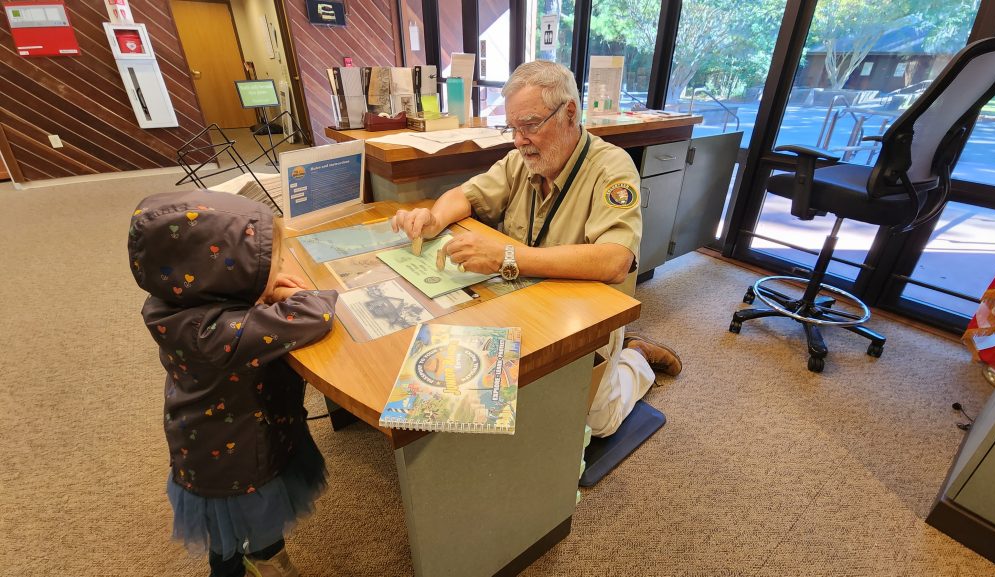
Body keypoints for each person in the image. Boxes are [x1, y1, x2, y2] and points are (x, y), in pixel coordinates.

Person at [392, 60, 681, 438]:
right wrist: (433, 219)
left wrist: (507, 257)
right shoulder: (519, 161)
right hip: (526, 300)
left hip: (587, 317)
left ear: (570, 113)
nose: (518, 140)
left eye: (529, 125)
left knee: (598, 423)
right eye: (513, 127)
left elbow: (615, 260)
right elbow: (465, 194)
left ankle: (635, 357)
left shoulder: (612, 168)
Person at [128, 189, 338, 577]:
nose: (278, 267)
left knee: (255, 521)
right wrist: (287, 293)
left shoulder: (179, 303)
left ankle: (266, 556)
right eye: (270, 262)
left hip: (226, 441)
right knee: (234, 537)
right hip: (234, 463)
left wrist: (261, 291)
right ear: (224, 274)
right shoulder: (216, 333)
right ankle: (245, 566)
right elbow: (316, 314)